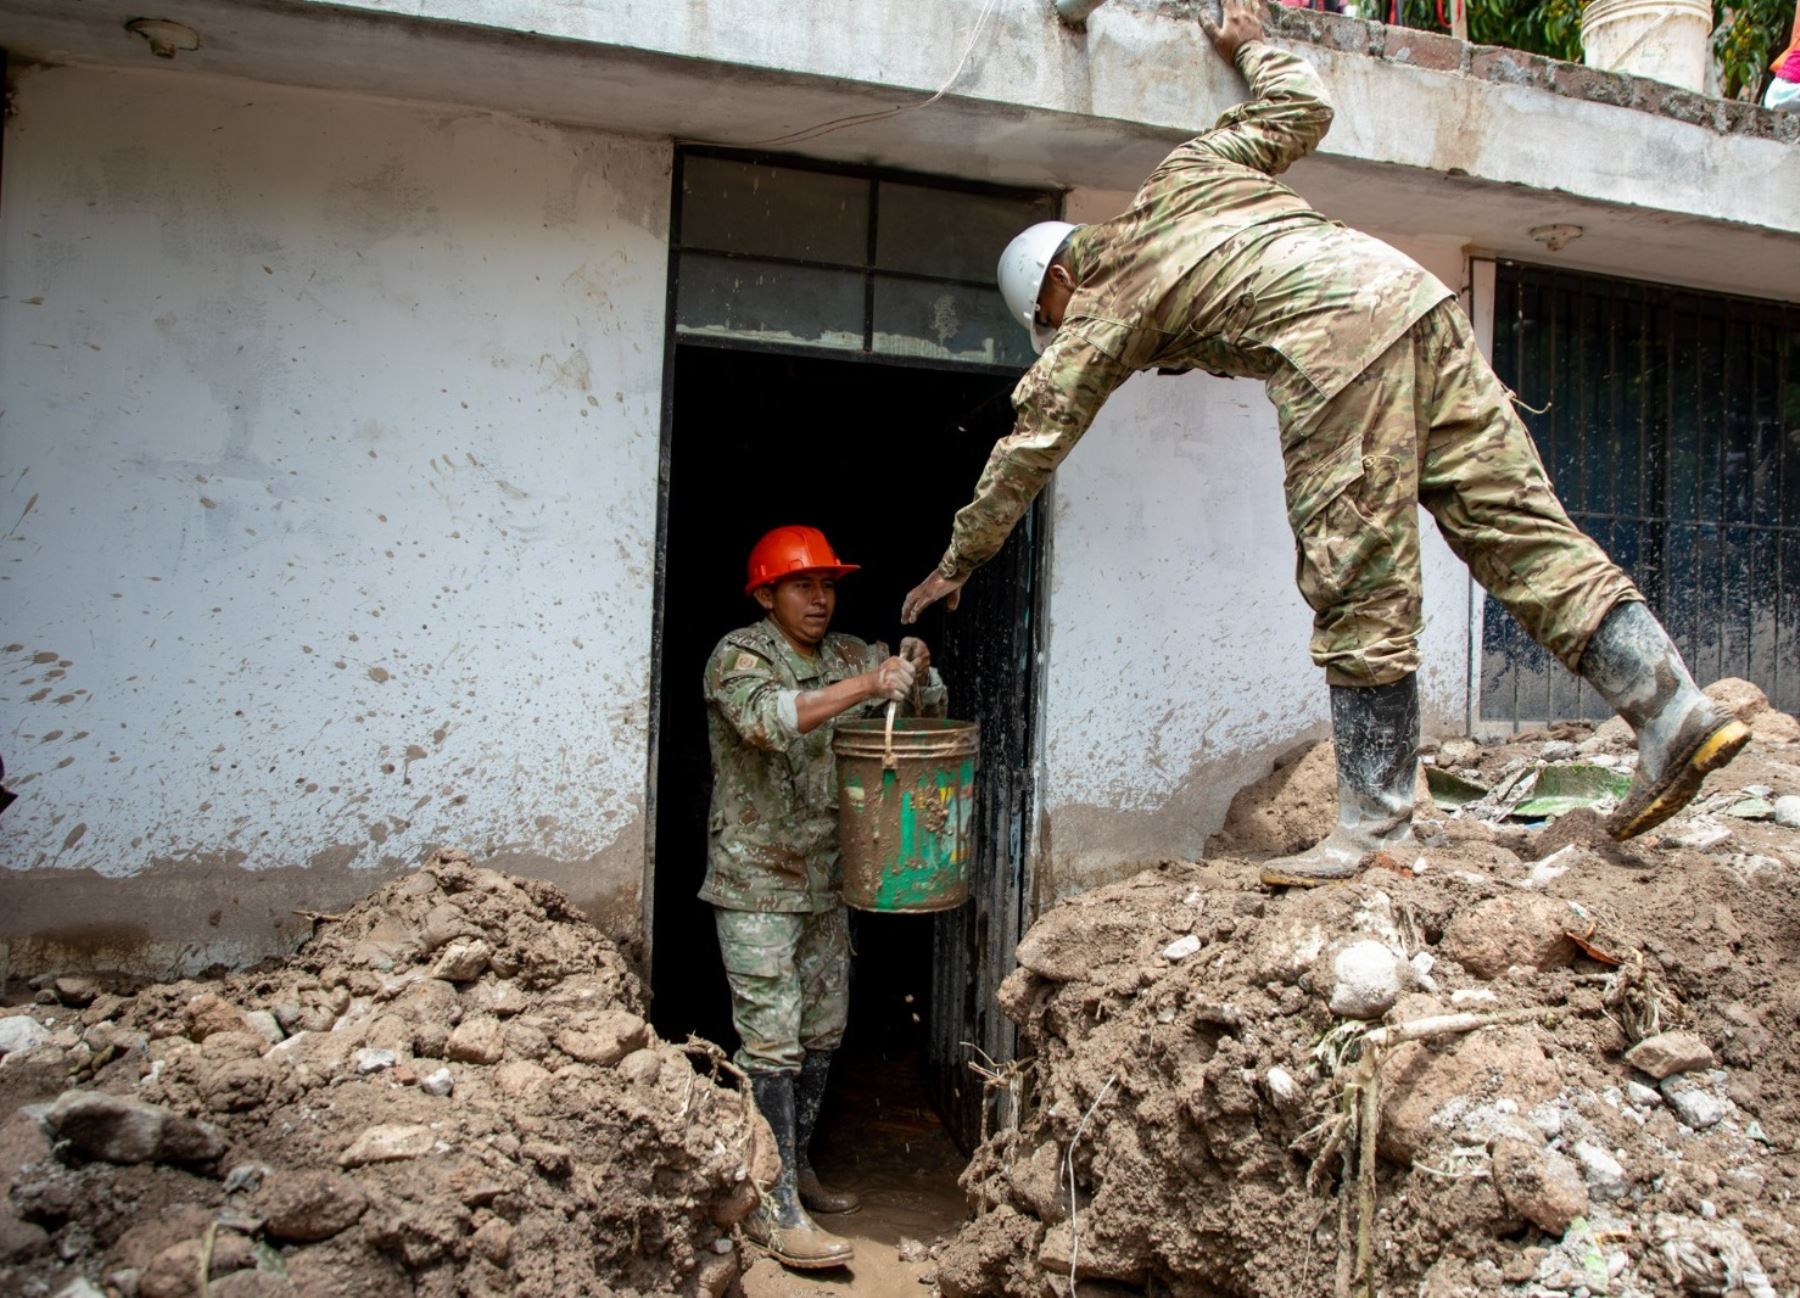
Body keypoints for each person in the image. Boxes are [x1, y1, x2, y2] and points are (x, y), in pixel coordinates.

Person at [900, 0, 1746, 887]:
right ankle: (1672, 710)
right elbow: (1303, 108)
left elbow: (1030, 444)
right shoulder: (1190, 173)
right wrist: (1254, 46)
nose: (1061, 331)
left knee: (1356, 579)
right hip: (1418, 305)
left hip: (1334, 348)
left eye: (1051, 318)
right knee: (1519, 533)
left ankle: (1376, 826)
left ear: (1062, 278)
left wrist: (958, 561)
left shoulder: (1103, 301)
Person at [704, 524, 947, 1269]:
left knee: (820, 1032)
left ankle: (796, 1171)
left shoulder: (849, 653)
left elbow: (924, 712)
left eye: (830, 585)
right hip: (756, 883)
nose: (820, 598)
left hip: (826, 881)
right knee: (770, 1037)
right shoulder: (740, 655)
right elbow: (771, 719)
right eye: (804, 585)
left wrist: (915, 668)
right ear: (766, 593)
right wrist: (870, 684)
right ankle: (770, 1207)